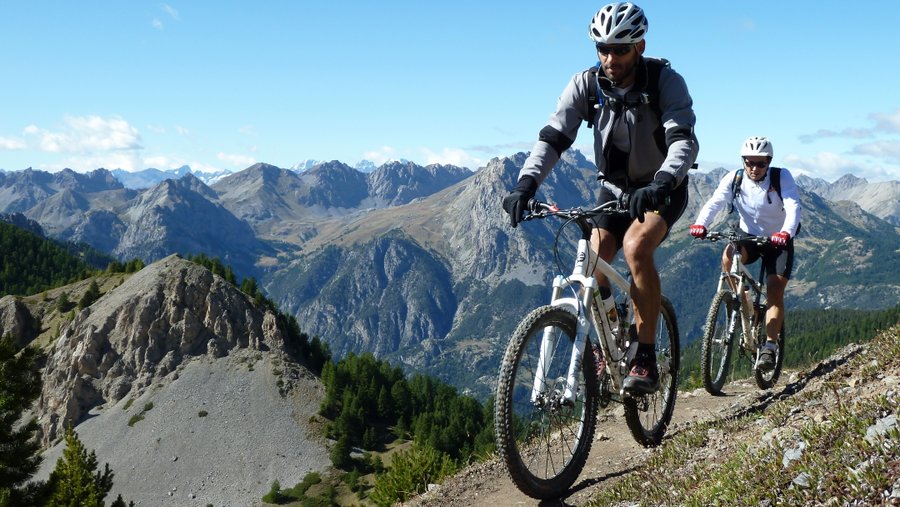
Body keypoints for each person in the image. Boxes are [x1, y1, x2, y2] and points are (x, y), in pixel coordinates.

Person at [502, 2, 699, 395]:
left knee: (636, 248)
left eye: (620, 49)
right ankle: (609, 338)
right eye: (602, 48)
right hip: (613, 189)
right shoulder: (585, 84)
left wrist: (661, 181)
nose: (610, 58)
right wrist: (526, 184)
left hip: (662, 189)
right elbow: (554, 137)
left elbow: (684, 141)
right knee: (592, 256)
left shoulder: (665, 81)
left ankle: (644, 353)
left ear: (639, 46)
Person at [689, 136, 801, 371]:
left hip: (777, 240)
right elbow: (715, 203)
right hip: (748, 236)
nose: (754, 168)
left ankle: (770, 348)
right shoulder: (734, 179)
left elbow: (793, 206)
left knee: (774, 292)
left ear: (768, 162)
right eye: (750, 162)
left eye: (761, 164)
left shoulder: (782, 178)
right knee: (728, 257)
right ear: (743, 161)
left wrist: (785, 233)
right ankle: (743, 301)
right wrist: (701, 224)